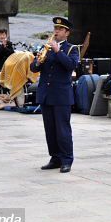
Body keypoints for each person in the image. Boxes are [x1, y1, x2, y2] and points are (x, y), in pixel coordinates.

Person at [30, 17, 79, 173]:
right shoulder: (47, 47)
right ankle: (55, 158)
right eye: (55, 29)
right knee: (50, 129)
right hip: (46, 94)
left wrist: (58, 51)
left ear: (67, 33)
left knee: (62, 129)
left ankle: (66, 160)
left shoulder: (72, 49)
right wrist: (37, 61)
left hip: (61, 96)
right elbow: (34, 68)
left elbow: (70, 66)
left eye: (59, 29)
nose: (56, 32)